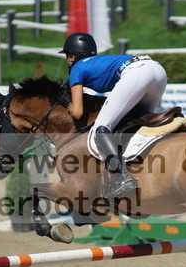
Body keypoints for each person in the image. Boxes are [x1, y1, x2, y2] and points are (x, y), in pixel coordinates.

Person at [59, 32, 168, 200]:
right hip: (157, 70)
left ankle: (123, 177)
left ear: (75, 55)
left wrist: (67, 103)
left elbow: (78, 112)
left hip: (136, 73)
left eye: (69, 55)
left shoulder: (78, 68)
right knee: (138, 124)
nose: (68, 60)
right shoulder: (98, 62)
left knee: (101, 128)